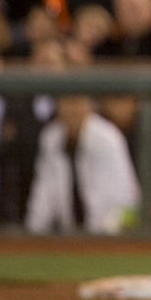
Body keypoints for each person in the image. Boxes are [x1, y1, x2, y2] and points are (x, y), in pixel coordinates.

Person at [26, 95, 140, 235]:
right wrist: (33, 232)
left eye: (77, 104)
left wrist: (101, 235)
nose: (72, 111)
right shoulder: (51, 137)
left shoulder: (107, 138)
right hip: (68, 235)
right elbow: (43, 193)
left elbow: (125, 199)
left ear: (88, 106)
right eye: (67, 103)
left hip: (110, 233)